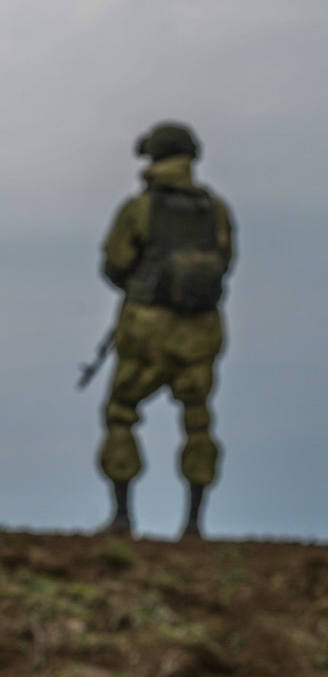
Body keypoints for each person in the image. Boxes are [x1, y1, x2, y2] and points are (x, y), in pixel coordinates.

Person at [96, 121, 235, 539]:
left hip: (147, 327)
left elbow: (115, 264)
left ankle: (122, 518)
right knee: (198, 420)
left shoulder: (139, 208)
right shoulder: (216, 210)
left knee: (121, 413)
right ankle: (194, 523)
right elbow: (225, 263)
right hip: (202, 329)